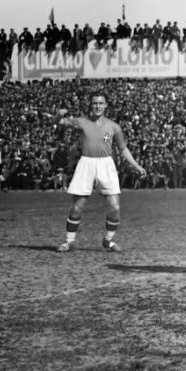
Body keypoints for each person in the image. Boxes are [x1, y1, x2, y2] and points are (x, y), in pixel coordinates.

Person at [55, 91, 146, 252]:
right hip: (86, 163)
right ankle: (69, 241)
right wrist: (57, 115)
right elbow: (59, 123)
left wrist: (136, 166)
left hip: (106, 165)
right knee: (77, 207)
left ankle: (108, 240)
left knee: (114, 207)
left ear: (106, 105)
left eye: (100, 103)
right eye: (95, 103)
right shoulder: (81, 122)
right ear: (91, 105)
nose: (97, 106)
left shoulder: (114, 127)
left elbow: (123, 149)